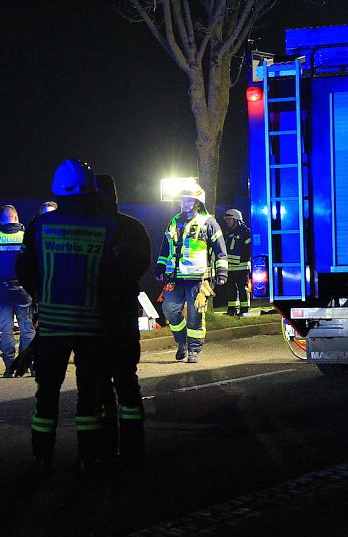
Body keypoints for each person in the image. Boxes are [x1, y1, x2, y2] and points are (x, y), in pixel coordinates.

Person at [16, 158, 115, 476]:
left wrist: (41, 296)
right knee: (90, 394)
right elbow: (113, 276)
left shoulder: (40, 226)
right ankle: (89, 457)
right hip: (91, 325)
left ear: (57, 190)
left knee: (47, 394)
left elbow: (25, 269)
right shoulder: (104, 226)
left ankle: (41, 457)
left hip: (53, 325)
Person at [94, 174, 151, 464]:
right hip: (123, 317)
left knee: (102, 387)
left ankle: (107, 447)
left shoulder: (89, 228)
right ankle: (133, 447)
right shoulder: (133, 227)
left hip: (98, 319)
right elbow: (142, 264)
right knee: (126, 384)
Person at [154, 182, 228, 364]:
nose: (184, 203)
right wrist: (160, 266)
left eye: (188, 200)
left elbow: (220, 250)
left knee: (195, 315)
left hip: (198, 278)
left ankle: (194, 349)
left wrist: (222, 272)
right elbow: (165, 247)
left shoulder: (209, 222)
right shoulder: (174, 221)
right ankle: (182, 343)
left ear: (197, 202)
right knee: (169, 310)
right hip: (174, 277)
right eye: (182, 200)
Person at [0, 205, 36, 377]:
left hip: (2, 291)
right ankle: (29, 365)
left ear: (1, 220)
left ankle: (9, 367)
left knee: (6, 330)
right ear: (17, 218)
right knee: (27, 329)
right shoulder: (27, 237)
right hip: (24, 291)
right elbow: (36, 263)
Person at [222, 208, 252, 316]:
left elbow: (249, 249)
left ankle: (244, 309)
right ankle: (232, 309)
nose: (227, 222)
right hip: (230, 266)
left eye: (229, 219)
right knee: (231, 288)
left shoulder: (245, 232)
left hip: (242, 266)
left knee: (242, 288)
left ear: (236, 220)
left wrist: (243, 259)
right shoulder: (228, 233)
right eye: (226, 220)